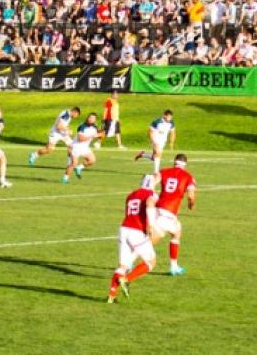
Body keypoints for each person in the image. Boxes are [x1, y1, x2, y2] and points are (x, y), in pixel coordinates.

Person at [108, 174, 159, 304]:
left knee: (122, 266)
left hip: (123, 229)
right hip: (136, 232)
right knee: (151, 261)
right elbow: (149, 203)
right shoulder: (151, 194)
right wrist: (151, 225)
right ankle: (127, 279)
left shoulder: (131, 195)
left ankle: (111, 295)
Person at [153, 153, 197, 276]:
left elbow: (151, 185)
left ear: (174, 162)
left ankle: (174, 266)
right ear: (185, 164)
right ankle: (129, 261)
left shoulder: (163, 171)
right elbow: (191, 196)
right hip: (168, 212)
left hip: (157, 208)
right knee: (152, 240)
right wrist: (191, 205)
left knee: (177, 232)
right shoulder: (188, 176)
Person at [63, 113, 100, 184]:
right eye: (90, 117)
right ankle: (65, 179)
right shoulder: (82, 127)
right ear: (87, 118)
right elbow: (80, 139)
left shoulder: (95, 127)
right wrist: (92, 136)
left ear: (95, 120)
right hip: (76, 147)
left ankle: (79, 168)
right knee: (74, 163)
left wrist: (101, 135)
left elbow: (99, 135)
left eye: (93, 118)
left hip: (85, 147)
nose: (91, 119)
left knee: (92, 160)